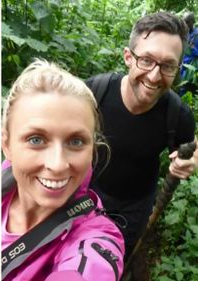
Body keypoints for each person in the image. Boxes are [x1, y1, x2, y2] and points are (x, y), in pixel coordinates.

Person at [84, 12, 197, 273]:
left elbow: (188, 150)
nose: (155, 76)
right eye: (146, 60)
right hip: (88, 191)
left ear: (178, 69)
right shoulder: (93, 93)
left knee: (117, 260)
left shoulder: (178, 115)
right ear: (128, 57)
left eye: (168, 66)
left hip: (136, 206)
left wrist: (188, 161)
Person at [0, 60, 124, 281]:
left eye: (76, 142)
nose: (57, 165)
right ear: (7, 145)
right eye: (36, 139)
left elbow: (91, 268)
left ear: (92, 149)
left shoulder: (95, 238)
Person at [179, 11, 198, 96]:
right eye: (184, 22)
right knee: (181, 90)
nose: (185, 24)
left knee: (191, 91)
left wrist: (193, 48)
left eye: (187, 22)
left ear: (193, 21)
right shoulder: (183, 34)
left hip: (193, 69)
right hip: (182, 67)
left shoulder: (197, 34)